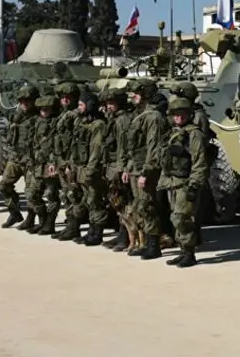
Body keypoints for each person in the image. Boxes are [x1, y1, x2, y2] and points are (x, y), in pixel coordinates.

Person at [159, 97, 209, 268]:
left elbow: (199, 161)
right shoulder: (173, 132)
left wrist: (194, 185)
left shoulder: (194, 134)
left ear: (189, 115)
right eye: (176, 114)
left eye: (183, 114)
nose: (179, 117)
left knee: (182, 218)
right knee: (175, 217)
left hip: (186, 181)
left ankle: (189, 253)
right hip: (172, 181)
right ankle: (183, 250)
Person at [125, 78, 171, 260]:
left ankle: (154, 244)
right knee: (140, 206)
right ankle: (145, 242)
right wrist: (128, 168)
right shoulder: (139, 114)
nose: (132, 96)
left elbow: (154, 148)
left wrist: (146, 172)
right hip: (136, 167)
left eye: (136, 93)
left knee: (147, 205)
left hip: (147, 169)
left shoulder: (153, 117)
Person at [72, 92, 110, 246]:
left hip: (92, 169)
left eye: (81, 105)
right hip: (82, 167)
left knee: (95, 200)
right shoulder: (82, 122)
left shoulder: (98, 124)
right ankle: (91, 230)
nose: (78, 108)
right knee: (88, 200)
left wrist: (90, 170)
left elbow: (96, 149)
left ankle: (97, 233)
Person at [0, 83, 40, 229]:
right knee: (4, 186)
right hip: (16, 158)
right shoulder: (17, 117)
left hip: (31, 161)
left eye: (27, 100)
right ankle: (14, 212)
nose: (24, 103)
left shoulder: (39, 118)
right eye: (21, 100)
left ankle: (31, 217)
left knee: (31, 192)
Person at [101, 87, 134, 251]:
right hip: (112, 165)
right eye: (107, 103)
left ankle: (126, 236)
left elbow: (124, 146)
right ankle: (122, 233)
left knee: (124, 202)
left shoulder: (123, 120)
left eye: (112, 103)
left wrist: (123, 168)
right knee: (116, 202)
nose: (109, 106)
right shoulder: (113, 119)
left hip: (119, 166)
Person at [53, 81, 84, 241]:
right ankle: (70, 224)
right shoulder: (61, 115)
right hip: (61, 161)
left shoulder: (76, 117)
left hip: (71, 163)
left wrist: (70, 165)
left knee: (73, 195)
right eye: (62, 97)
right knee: (66, 195)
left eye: (68, 97)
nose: (65, 100)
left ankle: (74, 227)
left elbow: (76, 143)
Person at [30, 95, 63, 236]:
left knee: (51, 195)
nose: (44, 111)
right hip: (38, 164)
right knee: (32, 194)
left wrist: (53, 162)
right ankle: (42, 220)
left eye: (47, 109)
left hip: (50, 164)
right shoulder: (37, 122)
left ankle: (50, 223)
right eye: (41, 109)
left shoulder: (57, 122)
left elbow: (58, 145)